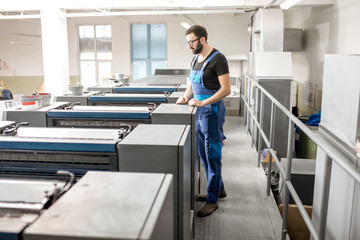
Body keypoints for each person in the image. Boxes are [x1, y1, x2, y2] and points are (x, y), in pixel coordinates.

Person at [176, 25, 230, 217]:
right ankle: (219, 189)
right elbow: (191, 83)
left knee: (212, 155)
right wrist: (185, 97)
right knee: (203, 153)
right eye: (187, 42)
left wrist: (202, 102)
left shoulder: (218, 59)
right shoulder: (195, 59)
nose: (189, 46)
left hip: (212, 113)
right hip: (198, 113)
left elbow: (226, 89)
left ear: (202, 40)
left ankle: (212, 200)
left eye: (191, 42)